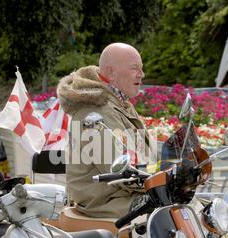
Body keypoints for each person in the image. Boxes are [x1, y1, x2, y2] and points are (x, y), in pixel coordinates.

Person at [57, 43, 155, 218]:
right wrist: (160, 182)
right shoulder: (94, 112)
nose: (142, 74)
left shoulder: (120, 105)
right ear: (111, 73)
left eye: (141, 68)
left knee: (186, 203)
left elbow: (143, 156)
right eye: (135, 68)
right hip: (105, 202)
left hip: (123, 195)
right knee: (173, 212)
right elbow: (119, 171)